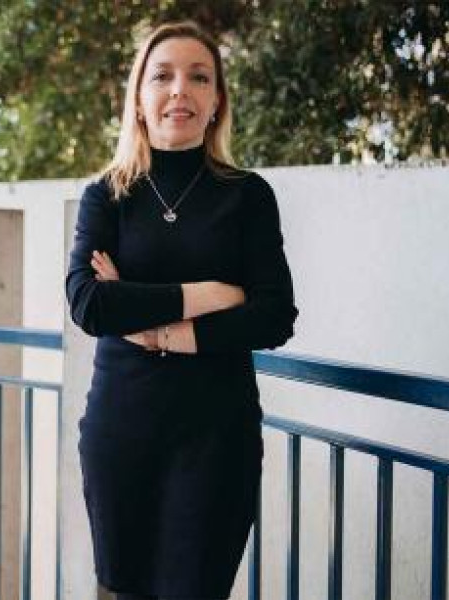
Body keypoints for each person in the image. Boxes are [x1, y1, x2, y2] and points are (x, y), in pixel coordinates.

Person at [65, 20, 299, 600]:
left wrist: (158, 332)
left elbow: (275, 315)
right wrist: (213, 294)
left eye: (199, 77)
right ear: (138, 99)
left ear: (217, 101)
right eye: (162, 76)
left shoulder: (247, 195)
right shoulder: (107, 195)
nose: (180, 90)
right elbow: (90, 304)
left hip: (216, 437)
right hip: (122, 431)